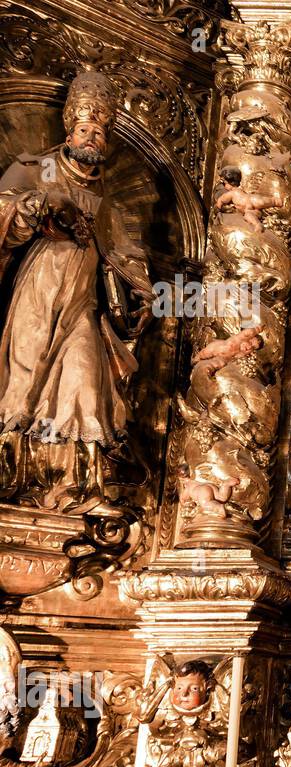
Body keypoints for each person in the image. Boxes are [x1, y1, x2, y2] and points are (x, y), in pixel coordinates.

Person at [0, 70, 152, 507]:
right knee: (25, 379)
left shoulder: (112, 204)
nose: (92, 138)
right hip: (37, 288)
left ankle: (80, 487)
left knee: (86, 378)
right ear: (70, 130)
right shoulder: (35, 168)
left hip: (85, 305)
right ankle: (14, 477)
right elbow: (5, 217)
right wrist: (45, 205)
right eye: (85, 129)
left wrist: (142, 294)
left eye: (100, 132)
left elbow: (126, 257)